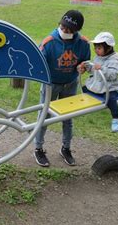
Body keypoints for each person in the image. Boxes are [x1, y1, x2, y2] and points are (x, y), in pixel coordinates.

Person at [34, 10, 91, 167]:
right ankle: (38, 148)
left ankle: (66, 148)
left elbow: (86, 61)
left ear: (77, 31)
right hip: (51, 85)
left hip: (70, 84)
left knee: (68, 118)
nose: (65, 31)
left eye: (69, 30)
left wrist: (82, 67)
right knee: (44, 117)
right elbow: (39, 65)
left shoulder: (83, 43)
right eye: (63, 27)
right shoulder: (49, 42)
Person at [78, 32, 118, 132]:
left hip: (109, 87)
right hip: (97, 85)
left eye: (99, 48)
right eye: (95, 48)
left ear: (108, 48)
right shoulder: (98, 57)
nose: (96, 50)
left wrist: (102, 68)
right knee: (85, 89)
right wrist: (86, 67)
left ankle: (116, 119)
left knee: (111, 99)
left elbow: (113, 74)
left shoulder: (115, 60)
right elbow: (93, 69)